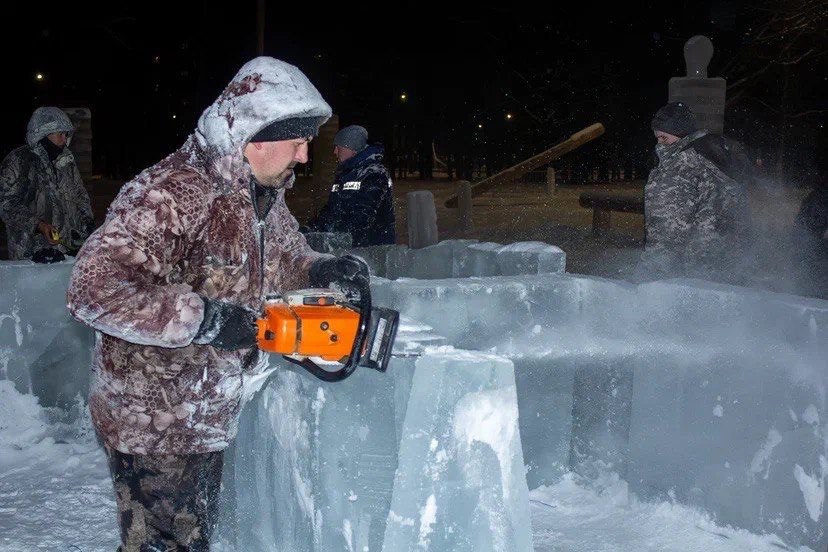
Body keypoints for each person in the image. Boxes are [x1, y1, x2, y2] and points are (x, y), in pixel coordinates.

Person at [66, 57, 369, 551]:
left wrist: (320, 269)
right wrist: (202, 320)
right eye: (298, 141)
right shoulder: (171, 193)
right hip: (153, 419)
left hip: (205, 407)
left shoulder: (258, 192)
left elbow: (283, 253)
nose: (305, 157)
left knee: (192, 539)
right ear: (257, 137)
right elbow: (93, 289)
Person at [636, 101, 752, 283]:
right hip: (731, 271)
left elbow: (667, 231)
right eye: (657, 137)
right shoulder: (716, 158)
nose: (659, 144)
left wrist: (649, 278)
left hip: (693, 277)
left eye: (664, 138)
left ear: (681, 133)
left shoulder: (680, 167)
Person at [0, 107, 94, 261]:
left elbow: (80, 195)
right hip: (32, 251)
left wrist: (88, 226)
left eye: (66, 135)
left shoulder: (66, 161)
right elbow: (7, 205)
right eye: (60, 134)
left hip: (68, 248)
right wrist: (38, 225)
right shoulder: (19, 161)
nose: (65, 140)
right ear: (43, 134)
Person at [305, 125, 396, 246]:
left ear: (351, 149)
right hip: (349, 244)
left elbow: (363, 216)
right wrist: (310, 229)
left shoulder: (374, 173)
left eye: (339, 147)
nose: (335, 152)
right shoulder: (347, 173)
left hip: (372, 249)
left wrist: (337, 237)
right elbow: (332, 210)